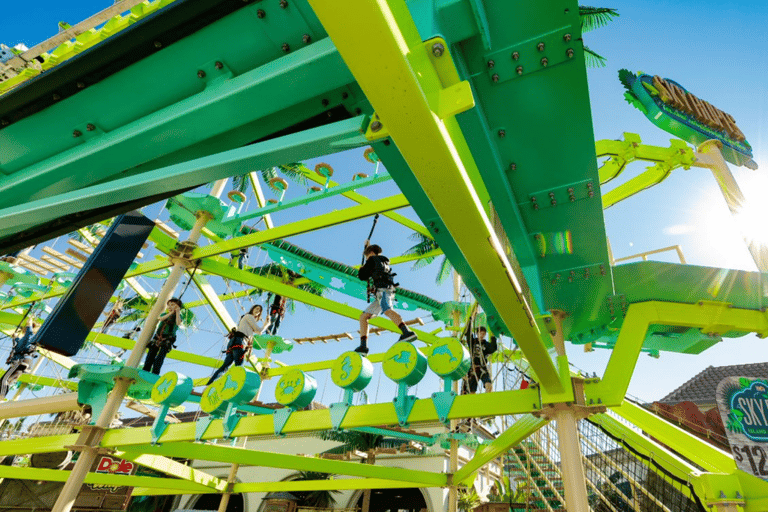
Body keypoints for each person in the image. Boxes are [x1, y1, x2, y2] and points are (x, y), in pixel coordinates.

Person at [355, 243, 416, 355]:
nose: (367, 259)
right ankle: (363, 346)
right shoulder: (383, 262)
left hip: (383, 291)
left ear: (372, 253)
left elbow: (362, 276)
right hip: (382, 292)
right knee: (363, 317)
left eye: (367, 256)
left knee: (387, 309)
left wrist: (362, 268)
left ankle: (407, 332)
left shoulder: (373, 259)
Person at [207, 305, 270, 384]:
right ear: (252, 309)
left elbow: (257, 331)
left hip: (234, 342)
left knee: (225, 367)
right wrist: (267, 324)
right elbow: (259, 330)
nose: (258, 311)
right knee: (239, 368)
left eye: (260, 310)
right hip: (240, 341)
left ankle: (210, 384)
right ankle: (234, 387)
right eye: (257, 308)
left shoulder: (247, 320)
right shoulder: (249, 316)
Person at [142, 298, 183, 375]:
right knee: (150, 356)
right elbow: (161, 318)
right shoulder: (164, 314)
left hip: (167, 339)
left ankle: (155, 373)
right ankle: (145, 370)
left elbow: (178, 323)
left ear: (178, 307)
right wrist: (171, 313)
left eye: (173, 305)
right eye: (169, 305)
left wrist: (177, 312)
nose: (170, 306)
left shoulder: (178, 317)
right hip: (157, 337)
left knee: (159, 358)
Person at [0, 319, 39, 399]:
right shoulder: (28, 340)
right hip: (24, 363)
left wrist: (29, 324)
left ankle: (1, 396)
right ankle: (2, 396)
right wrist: (15, 337)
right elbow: (20, 343)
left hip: (20, 361)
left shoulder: (31, 337)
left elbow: (29, 334)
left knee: (4, 379)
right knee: (8, 381)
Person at [462, 326, 498, 394]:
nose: (482, 335)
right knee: (471, 390)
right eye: (480, 333)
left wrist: (493, 338)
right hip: (473, 368)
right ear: (477, 334)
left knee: (489, 385)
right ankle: (473, 401)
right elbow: (469, 335)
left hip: (482, 368)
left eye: (483, 334)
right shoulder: (473, 342)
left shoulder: (486, 344)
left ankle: (486, 399)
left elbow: (493, 348)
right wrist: (470, 321)